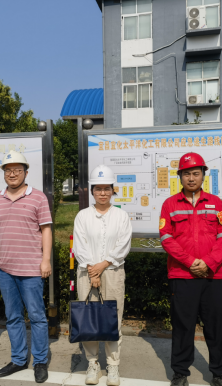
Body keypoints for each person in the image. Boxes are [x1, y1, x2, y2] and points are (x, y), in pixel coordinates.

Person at [159, 152, 222, 386]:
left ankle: (219, 374)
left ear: (203, 176)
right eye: (186, 174)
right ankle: (180, 373)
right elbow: (166, 238)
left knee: (216, 326)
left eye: (196, 173)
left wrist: (208, 263)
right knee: (183, 326)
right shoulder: (170, 204)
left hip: (213, 275)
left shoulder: (215, 203)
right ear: (180, 176)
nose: (191, 178)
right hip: (182, 274)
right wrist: (190, 262)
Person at [0, 150, 52, 384]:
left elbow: (46, 230)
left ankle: (40, 361)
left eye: (17, 170)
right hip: (6, 268)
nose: (12, 174)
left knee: (37, 317)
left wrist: (45, 260)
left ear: (26, 172)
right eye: (8, 170)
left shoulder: (38, 197)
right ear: (4, 173)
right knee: (13, 317)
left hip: (31, 269)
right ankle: (18, 359)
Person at [72, 165, 132, 386]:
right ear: (92, 191)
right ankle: (93, 363)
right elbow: (80, 246)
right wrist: (93, 270)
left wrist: (103, 265)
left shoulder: (121, 216)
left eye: (107, 188)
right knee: (88, 319)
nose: (103, 193)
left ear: (113, 190)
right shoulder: (82, 216)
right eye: (98, 189)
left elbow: (123, 245)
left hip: (113, 272)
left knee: (112, 318)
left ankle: (113, 365)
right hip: (86, 273)